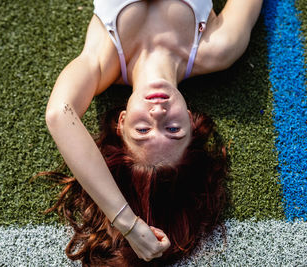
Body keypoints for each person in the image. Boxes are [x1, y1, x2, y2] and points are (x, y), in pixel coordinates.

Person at [43, 0, 263, 266]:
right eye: (173, 129)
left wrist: (127, 223)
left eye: (143, 130)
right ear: (192, 123)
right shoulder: (221, 47)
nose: (158, 113)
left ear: (121, 122)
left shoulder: (102, 62)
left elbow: (59, 114)